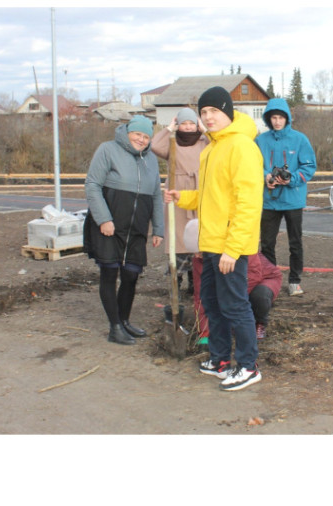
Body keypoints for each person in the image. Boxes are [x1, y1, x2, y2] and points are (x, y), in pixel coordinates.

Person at [165, 86, 264, 391]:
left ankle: (248, 366)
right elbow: (212, 196)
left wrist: (233, 250)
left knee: (235, 305)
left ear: (228, 113)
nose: (208, 118)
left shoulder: (241, 147)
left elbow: (247, 203)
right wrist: (184, 197)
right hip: (209, 243)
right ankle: (220, 358)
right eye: (204, 112)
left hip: (229, 246)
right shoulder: (211, 148)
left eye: (214, 112)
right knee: (211, 301)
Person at [84, 115, 164, 346]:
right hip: (109, 225)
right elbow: (93, 185)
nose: (141, 139)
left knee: (130, 274)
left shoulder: (151, 160)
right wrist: (103, 219)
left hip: (136, 228)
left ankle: (124, 320)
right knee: (110, 272)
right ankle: (114, 326)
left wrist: (158, 228)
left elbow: (157, 195)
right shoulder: (107, 150)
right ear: (128, 132)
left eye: (146, 136)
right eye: (137, 134)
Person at [256, 98, 316, 297]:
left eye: (281, 117)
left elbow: (308, 166)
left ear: (287, 118)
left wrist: (291, 179)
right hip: (269, 200)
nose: (277, 121)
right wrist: (266, 176)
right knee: (266, 243)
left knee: (295, 241)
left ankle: (295, 280)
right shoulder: (260, 141)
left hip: (293, 199)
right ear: (268, 118)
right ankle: (270, 280)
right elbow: (252, 164)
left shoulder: (300, 140)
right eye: (273, 117)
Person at [151, 108, 208, 294]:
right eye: (185, 123)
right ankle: (177, 277)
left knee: (197, 234)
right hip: (178, 188)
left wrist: (204, 128)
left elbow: (219, 143)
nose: (189, 127)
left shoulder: (203, 141)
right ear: (179, 124)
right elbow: (154, 146)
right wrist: (168, 128)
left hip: (199, 188)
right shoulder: (172, 142)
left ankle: (195, 280)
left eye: (192, 123)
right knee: (177, 234)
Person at [192, 251, 282, 341]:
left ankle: (260, 323)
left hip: (265, 278)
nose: (197, 254)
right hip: (233, 282)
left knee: (260, 296)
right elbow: (201, 295)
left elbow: (249, 281)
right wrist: (205, 333)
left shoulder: (242, 250)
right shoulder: (200, 259)